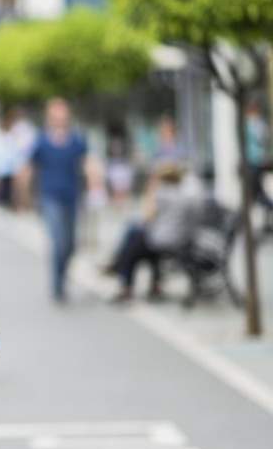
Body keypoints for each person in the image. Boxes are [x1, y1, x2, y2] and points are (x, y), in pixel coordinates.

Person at [22, 98, 92, 303]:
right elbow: (29, 168)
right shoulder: (41, 141)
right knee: (59, 242)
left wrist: (96, 184)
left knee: (71, 244)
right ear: (50, 117)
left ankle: (62, 276)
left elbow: (87, 163)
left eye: (63, 115)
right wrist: (23, 195)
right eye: (56, 115)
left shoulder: (76, 141)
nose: (60, 119)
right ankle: (58, 285)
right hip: (49, 198)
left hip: (71, 198)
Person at [103, 163, 201, 303]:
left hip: (167, 241)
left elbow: (147, 217)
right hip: (182, 239)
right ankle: (151, 284)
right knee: (136, 236)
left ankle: (124, 282)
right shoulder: (183, 194)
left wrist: (151, 189)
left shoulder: (163, 194)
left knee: (133, 243)